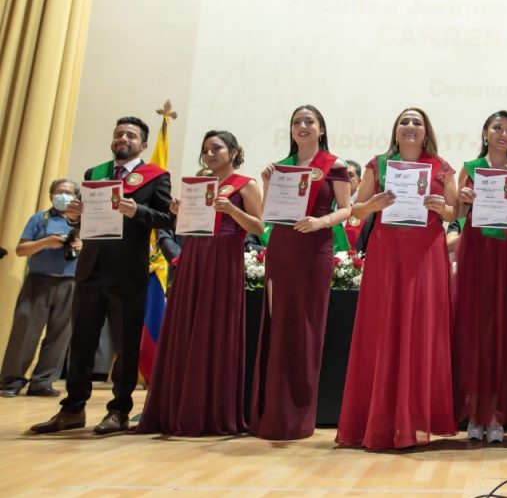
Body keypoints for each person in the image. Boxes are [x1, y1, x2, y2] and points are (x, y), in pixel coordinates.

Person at [30, 117, 173, 435]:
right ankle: (72, 409)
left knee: (125, 344)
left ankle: (119, 411)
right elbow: (83, 222)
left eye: (131, 135)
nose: (124, 138)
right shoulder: (95, 174)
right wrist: (72, 217)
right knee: (81, 341)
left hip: (128, 271)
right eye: (119, 133)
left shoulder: (156, 176)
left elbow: (167, 219)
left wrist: (137, 210)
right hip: (90, 268)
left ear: (143, 145)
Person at [337, 107, 458, 450]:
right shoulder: (378, 165)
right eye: (404, 121)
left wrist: (442, 209)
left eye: (416, 122)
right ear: (396, 130)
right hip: (387, 256)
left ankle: (416, 420)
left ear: (426, 131)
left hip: (425, 256)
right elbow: (356, 210)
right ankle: (378, 419)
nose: (410, 126)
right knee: (382, 329)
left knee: (420, 329)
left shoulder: (442, 167)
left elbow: (456, 213)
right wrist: (372, 204)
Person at [136, 131, 264, 436]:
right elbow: (190, 228)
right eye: (205, 150)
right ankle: (174, 408)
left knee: (214, 329)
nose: (210, 154)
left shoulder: (246, 184)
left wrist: (232, 209)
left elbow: (260, 226)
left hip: (223, 261)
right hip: (194, 257)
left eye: (216, 148)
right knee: (186, 328)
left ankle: (209, 411)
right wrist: (180, 214)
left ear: (233, 151)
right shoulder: (198, 186)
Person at [250, 106, 351, 440]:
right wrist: (266, 184)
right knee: (278, 327)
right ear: (291, 130)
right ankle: (273, 414)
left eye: (309, 122)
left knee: (305, 331)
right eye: (297, 122)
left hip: (314, 251)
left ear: (321, 129)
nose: (303, 126)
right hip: (282, 249)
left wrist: (321, 222)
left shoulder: (334, 165)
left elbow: (348, 210)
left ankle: (298, 418)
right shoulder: (281, 168)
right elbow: (267, 217)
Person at [452, 110, 507, 443]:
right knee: (476, 330)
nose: (503, 134)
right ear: (485, 132)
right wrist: (462, 199)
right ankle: (474, 415)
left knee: (505, 328)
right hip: (477, 252)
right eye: (497, 128)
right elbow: (456, 215)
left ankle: (498, 416)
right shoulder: (469, 169)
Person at [1, 179, 81, 398]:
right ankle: (11, 381)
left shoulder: (84, 222)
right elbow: (21, 249)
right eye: (58, 192)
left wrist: (81, 245)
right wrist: (46, 242)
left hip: (71, 283)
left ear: (76, 198)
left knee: (60, 335)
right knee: (24, 332)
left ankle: (43, 382)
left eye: (68, 192)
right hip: (38, 281)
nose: (63, 196)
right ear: (50, 195)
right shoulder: (40, 219)